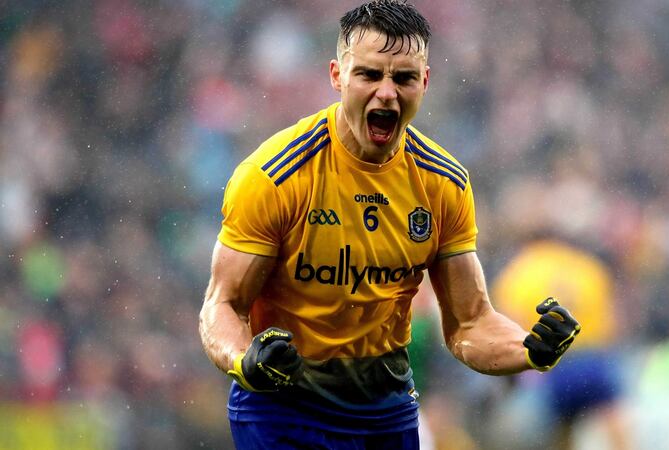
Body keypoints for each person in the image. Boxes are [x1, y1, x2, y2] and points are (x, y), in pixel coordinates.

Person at [198, 1, 581, 449]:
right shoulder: (273, 177)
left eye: (403, 77)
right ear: (337, 76)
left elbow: (470, 324)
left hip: (385, 412)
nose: (386, 92)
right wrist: (245, 361)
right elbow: (221, 306)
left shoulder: (444, 183)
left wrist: (528, 351)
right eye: (369, 74)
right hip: (284, 409)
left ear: (424, 81)